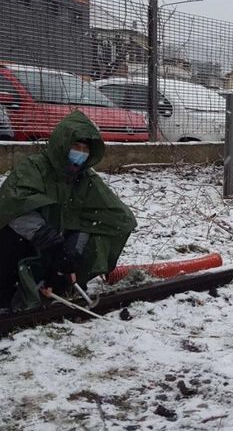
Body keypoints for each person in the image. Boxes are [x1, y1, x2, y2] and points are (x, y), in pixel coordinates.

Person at [0, 111, 136, 311]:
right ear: (63, 145)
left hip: (57, 248)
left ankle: (60, 283)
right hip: (27, 243)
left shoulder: (85, 179)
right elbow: (14, 207)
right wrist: (52, 243)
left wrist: (70, 253)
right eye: (76, 147)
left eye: (85, 149)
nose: (80, 153)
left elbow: (108, 216)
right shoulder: (35, 168)